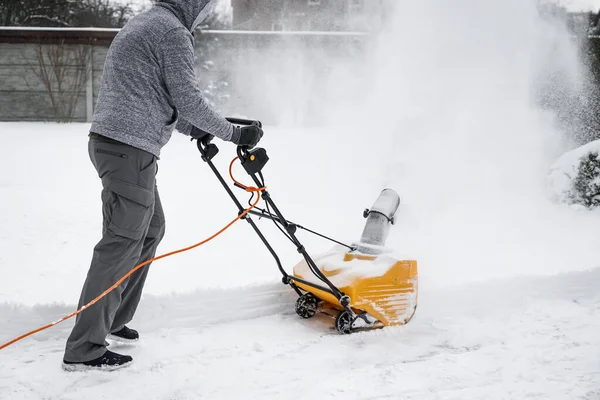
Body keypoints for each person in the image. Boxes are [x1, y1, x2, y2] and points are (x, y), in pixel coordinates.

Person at [62, 0, 263, 372]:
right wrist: (235, 134)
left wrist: (195, 128)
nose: (205, 13)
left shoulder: (148, 23)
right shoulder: (172, 32)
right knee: (120, 242)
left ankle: (115, 318)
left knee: (151, 229)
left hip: (118, 145)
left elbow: (157, 96)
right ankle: (85, 347)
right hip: (128, 148)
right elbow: (187, 98)